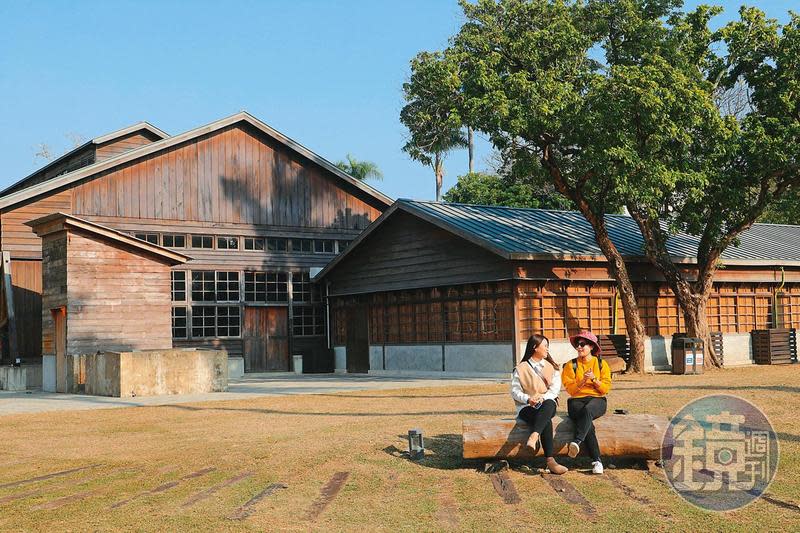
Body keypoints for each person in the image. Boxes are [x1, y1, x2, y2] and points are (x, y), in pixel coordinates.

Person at [510, 334, 568, 475]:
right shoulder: (521, 368)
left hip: (546, 404)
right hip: (527, 407)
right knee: (545, 419)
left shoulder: (552, 367)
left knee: (548, 404)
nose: (547, 349)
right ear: (535, 347)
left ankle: (534, 435)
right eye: (545, 346)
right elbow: (514, 391)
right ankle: (550, 461)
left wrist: (542, 398)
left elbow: (554, 390)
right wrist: (528, 399)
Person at [561, 330, 612, 474]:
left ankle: (577, 441)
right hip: (576, 401)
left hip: (597, 400)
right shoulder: (571, 365)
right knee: (587, 422)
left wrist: (594, 380)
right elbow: (571, 390)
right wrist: (583, 380)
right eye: (577, 344)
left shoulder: (602, 364)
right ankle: (597, 462)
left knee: (588, 411)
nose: (579, 347)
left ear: (591, 347)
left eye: (582, 344)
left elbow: (605, 389)